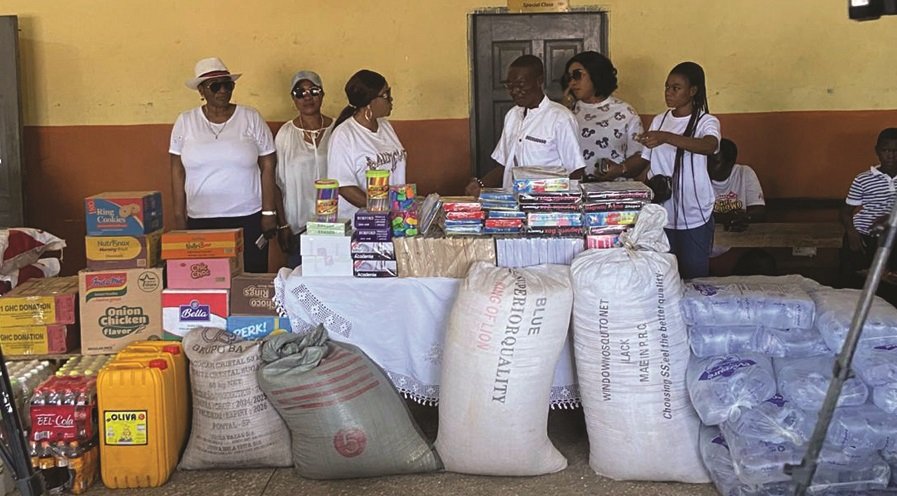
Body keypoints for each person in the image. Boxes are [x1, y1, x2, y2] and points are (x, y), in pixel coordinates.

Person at [169, 57, 280, 273]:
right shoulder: (186, 121)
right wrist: (179, 217)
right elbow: (177, 171)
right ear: (201, 90)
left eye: (227, 85)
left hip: (248, 216)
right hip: (201, 218)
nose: (223, 91)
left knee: (249, 281)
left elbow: (268, 164)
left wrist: (269, 213)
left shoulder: (251, 117)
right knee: (205, 279)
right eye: (215, 86)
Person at [626, 62, 720, 279]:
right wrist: (619, 169)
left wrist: (666, 137)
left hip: (694, 212)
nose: (668, 92)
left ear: (693, 91)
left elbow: (709, 145)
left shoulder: (705, 121)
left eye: (676, 88)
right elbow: (644, 159)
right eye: (667, 87)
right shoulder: (660, 120)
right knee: (664, 277)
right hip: (662, 212)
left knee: (694, 276)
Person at [465, 55, 586, 196]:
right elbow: (505, 165)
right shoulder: (512, 116)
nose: (514, 91)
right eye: (510, 86)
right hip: (512, 202)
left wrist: (565, 203)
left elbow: (576, 171)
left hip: (545, 205)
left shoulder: (561, 118)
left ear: (539, 81)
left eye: (521, 85)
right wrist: (480, 185)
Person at [328, 70, 406, 223]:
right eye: (386, 94)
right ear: (370, 101)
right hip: (362, 225)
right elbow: (344, 186)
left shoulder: (385, 126)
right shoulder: (344, 135)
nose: (391, 99)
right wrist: (383, 209)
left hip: (392, 220)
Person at [274, 70, 334, 268]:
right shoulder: (286, 134)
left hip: (334, 225)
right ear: (293, 98)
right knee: (300, 280)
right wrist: (283, 225)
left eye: (314, 91)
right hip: (298, 226)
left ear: (323, 94)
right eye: (300, 93)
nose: (307, 97)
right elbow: (276, 182)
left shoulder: (337, 130)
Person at [561, 51, 644, 181]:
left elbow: (640, 155)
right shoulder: (566, 113)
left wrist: (621, 169)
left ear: (596, 74)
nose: (572, 82)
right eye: (569, 77)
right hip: (573, 188)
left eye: (577, 75)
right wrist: (561, 109)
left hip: (614, 189)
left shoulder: (624, 112)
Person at [840, 128, 897, 286]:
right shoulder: (863, 179)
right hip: (864, 236)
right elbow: (845, 212)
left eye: (895, 151)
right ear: (877, 151)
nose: (891, 155)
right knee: (853, 280)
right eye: (886, 150)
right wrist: (852, 232)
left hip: (892, 236)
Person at [709, 138, 766, 233]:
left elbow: (759, 211)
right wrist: (725, 218)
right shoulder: (699, 177)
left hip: (740, 237)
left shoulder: (744, 173)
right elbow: (696, 215)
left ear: (730, 163)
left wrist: (743, 218)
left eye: (715, 162)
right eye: (707, 160)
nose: (708, 165)